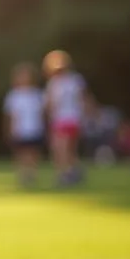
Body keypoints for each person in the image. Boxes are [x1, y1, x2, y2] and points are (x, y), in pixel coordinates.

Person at [42, 50, 88, 185]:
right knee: (62, 149)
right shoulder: (54, 83)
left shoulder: (74, 80)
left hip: (70, 119)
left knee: (63, 148)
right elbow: (50, 104)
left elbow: (82, 99)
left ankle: (65, 174)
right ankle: (70, 172)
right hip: (60, 120)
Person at [3, 62, 44, 187]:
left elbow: (42, 112)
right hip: (19, 129)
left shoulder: (37, 94)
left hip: (34, 128)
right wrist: (9, 130)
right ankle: (22, 174)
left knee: (33, 152)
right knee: (21, 152)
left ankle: (32, 173)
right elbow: (9, 115)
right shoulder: (14, 95)